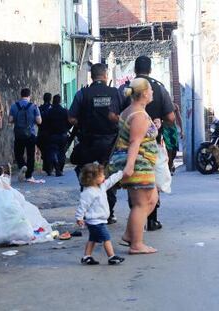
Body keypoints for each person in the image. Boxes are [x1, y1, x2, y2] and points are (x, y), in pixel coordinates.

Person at [116, 56, 175, 231]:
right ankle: (144, 225)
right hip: (146, 151)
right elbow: (171, 117)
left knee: (137, 191)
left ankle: (135, 227)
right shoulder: (158, 88)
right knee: (149, 192)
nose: (152, 94)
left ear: (135, 69)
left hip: (130, 148)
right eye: (150, 93)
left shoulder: (125, 90)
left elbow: (115, 116)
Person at [109, 78, 159, 254]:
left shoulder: (131, 111)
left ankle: (130, 235)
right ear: (144, 93)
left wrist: (155, 126)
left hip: (142, 163)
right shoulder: (138, 115)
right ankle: (136, 244)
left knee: (151, 200)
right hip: (139, 164)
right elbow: (134, 142)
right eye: (151, 90)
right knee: (141, 204)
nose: (152, 92)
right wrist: (130, 166)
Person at [69, 63, 122, 224]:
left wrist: (82, 123)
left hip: (88, 143)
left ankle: (88, 212)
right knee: (108, 177)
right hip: (111, 144)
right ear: (106, 76)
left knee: (88, 175)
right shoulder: (116, 93)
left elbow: (71, 118)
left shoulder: (82, 94)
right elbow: (124, 115)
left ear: (91, 76)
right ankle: (110, 213)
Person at [75, 162, 125, 265]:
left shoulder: (101, 187)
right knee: (106, 238)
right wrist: (79, 217)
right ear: (93, 178)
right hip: (95, 221)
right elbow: (82, 206)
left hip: (99, 220)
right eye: (101, 175)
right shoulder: (88, 192)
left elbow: (111, 181)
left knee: (92, 239)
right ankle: (112, 257)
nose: (104, 176)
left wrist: (121, 173)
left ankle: (86, 256)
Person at [9, 88, 42, 182]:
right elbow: (39, 121)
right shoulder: (34, 106)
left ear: (21, 95)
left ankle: (22, 165)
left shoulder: (14, 106)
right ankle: (29, 176)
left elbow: (10, 120)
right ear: (29, 96)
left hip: (18, 134)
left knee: (18, 153)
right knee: (31, 155)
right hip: (30, 134)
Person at [44, 94, 71, 176]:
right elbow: (70, 122)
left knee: (52, 151)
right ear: (60, 101)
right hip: (62, 135)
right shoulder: (65, 111)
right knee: (62, 152)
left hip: (52, 135)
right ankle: (60, 169)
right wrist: (66, 128)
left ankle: (54, 166)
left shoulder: (49, 111)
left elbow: (45, 123)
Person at [163, 104, 183, 175]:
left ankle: (171, 163)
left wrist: (182, 130)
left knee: (174, 149)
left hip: (173, 129)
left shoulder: (175, 106)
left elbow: (179, 118)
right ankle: (169, 168)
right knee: (169, 149)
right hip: (165, 129)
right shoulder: (162, 106)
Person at [37, 93, 52, 175]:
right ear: (50, 99)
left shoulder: (40, 108)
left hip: (41, 131)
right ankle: (48, 167)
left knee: (44, 150)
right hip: (50, 132)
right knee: (49, 150)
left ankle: (46, 166)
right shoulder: (52, 108)